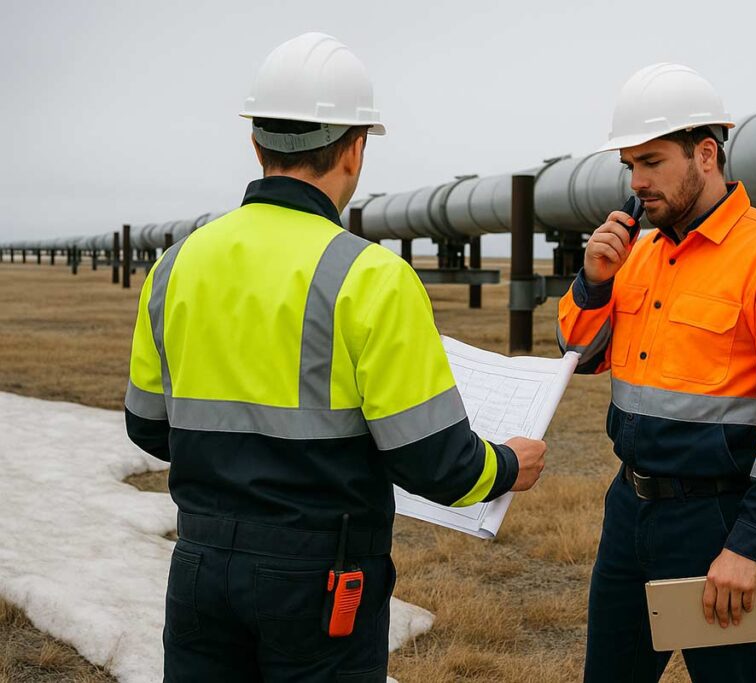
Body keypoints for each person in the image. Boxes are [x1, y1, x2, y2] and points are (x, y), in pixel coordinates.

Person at [124, 32, 546, 683]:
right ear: (355, 148)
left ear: (256, 141)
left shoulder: (175, 265)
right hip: (322, 583)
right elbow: (436, 463)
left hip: (200, 566)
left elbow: (148, 426)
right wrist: (510, 464)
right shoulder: (368, 277)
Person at [558, 63, 756, 682]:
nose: (637, 182)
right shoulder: (638, 253)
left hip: (716, 525)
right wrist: (594, 282)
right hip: (629, 511)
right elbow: (578, 353)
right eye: (629, 165)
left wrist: (751, 544)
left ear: (705, 154)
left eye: (652, 162)